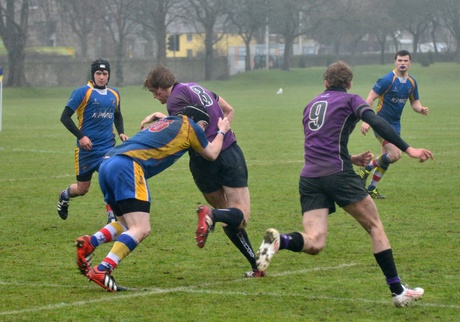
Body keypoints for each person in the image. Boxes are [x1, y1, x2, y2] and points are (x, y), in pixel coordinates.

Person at [255, 61, 433, 307]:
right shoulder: (351, 100)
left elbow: (320, 145)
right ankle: (398, 291)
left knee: (315, 241)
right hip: (338, 174)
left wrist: (351, 158)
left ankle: (280, 241)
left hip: (310, 177)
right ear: (349, 84)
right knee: (374, 226)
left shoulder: (310, 106)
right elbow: (378, 122)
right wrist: (409, 148)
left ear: (325, 82)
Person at [76, 105, 230, 292]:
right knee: (141, 228)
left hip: (107, 163)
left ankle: (90, 243)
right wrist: (222, 131)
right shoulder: (192, 126)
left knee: (126, 224)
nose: (204, 131)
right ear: (198, 121)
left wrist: (158, 115)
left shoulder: (169, 121)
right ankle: (103, 269)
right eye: (204, 126)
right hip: (127, 166)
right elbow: (212, 153)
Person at [140, 65, 264, 278]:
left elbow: (183, 133)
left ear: (162, 87)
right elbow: (228, 110)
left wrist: (159, 125)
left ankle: (255, 265)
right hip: (228, 153)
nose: (154, 96)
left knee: (229, 215)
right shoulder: (197, 88)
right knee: (239, 216)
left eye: (154, 91)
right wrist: (221, 133)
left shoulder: (175, 100)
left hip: (202, 162)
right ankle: (216, 220)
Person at [57, 58, 128, 223]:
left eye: (104, 73)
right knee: (82, 189)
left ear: (109, 75)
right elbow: (65, 117)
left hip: (108, 148)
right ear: (93, 75)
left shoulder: (114, 94)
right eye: (98, 73)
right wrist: (81, 136)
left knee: (112, 180)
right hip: (86, 151)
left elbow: (117, 114)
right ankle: (64, 195)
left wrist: (122, 132)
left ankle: (112, 218)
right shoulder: (82, 93)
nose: (101, 77)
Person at [359, 50, 429, 199]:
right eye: (400, 60)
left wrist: (421, 109)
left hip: (396, 125)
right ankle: (367, 168)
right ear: (395, 62)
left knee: (387, 158)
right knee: (395, 155)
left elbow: (414, 102)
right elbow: (370, 99)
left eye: (405, 61)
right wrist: (366, 120)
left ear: (410, 63)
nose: (402, 63)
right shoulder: (386, 80)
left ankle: (371, 189)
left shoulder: (412, 82)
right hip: (381, 123)